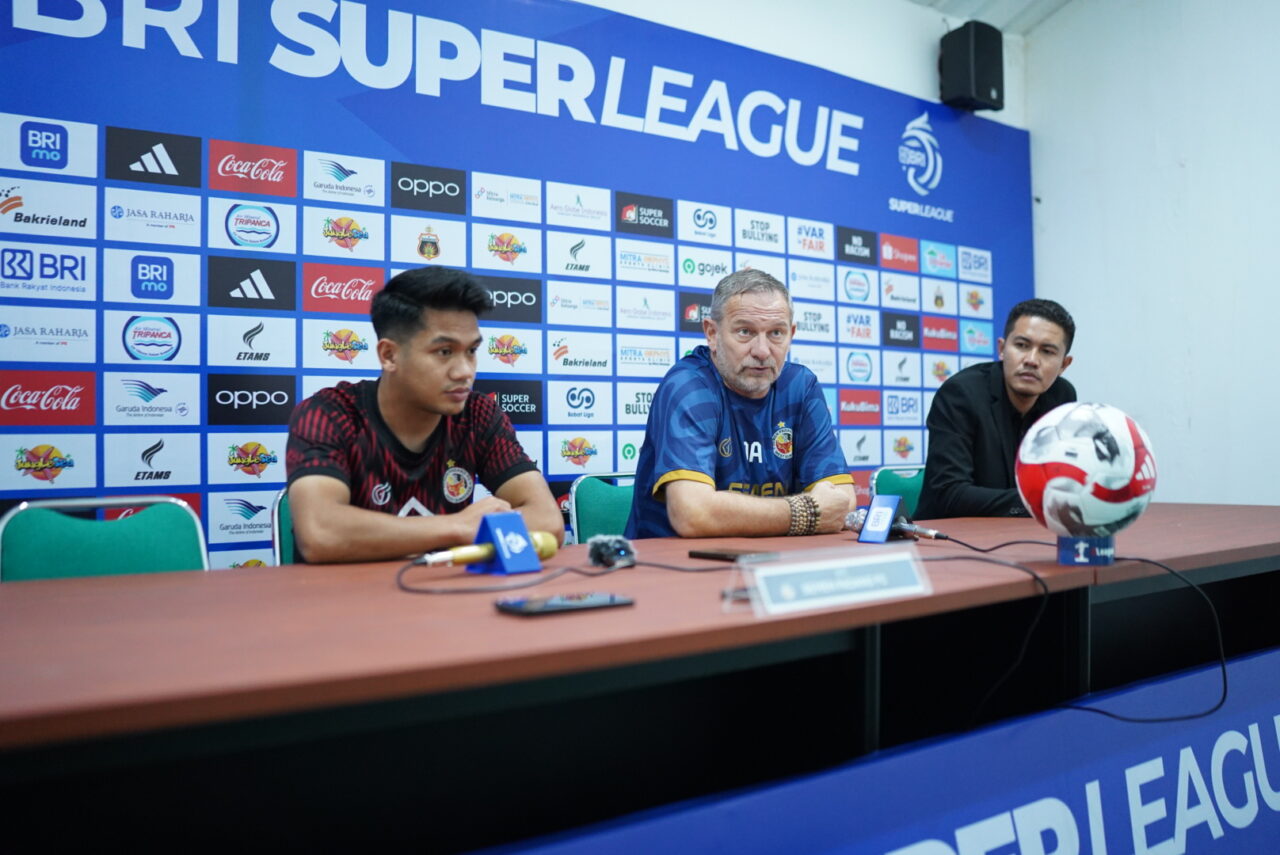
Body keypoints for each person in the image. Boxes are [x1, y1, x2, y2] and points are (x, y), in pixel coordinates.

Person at [286, 267, 563, 563]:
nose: (465, 371)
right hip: (346, 592)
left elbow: (548, 521)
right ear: (389, 355)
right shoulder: (329, 413)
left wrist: (460, 528)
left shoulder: (478, 414)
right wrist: (457, 526)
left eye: (471, 351)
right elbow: (321, 532)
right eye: (444, 352)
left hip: (446, 588)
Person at [625, 269, 854, 539]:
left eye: (776, 333)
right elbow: (693, 514)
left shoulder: (799, 386)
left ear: (791, 334)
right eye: (745, 332)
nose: (762, 351)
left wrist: (795, 513)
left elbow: (841, 502)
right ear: (712, 333)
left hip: (771, 558)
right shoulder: (689, 385)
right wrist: (804, 511)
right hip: (674, 561)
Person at [915, 298, 1077, 519]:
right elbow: (949, 493)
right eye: (1022, 345)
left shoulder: (1061, 397)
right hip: (952, 531)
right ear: (1002, 349)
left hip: (1026, 531)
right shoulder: (961, 394)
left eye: (1047, 351)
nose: (1031, 360)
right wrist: (1039, 502)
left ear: (1064, 364)